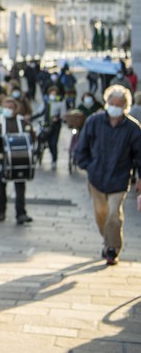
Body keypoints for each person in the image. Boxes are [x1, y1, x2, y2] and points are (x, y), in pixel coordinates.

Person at [74, 85, 141, 265]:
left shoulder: (133, 128)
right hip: (96, 178)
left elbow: (139, 155)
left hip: (119, 179)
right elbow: (82, 147)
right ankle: (108, 241)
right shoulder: (94, 122)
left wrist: (139, 178)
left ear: (124, 106)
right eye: (112, 103)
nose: (114, 107)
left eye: (118, 104)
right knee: (100, 215)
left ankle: (112, 249)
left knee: (113, 214)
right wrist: (87, 165)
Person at [0, 98, 35, 224]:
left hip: (19, 158)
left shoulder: (22, 122)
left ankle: (21, 213)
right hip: (2, 158)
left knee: (20, 185)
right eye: (6, 106)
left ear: (15, 109)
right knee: (1, 185)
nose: (8, 109)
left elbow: (32, 137)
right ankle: (1, 211)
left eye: (11, 107)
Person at [33, 86, 67, 168]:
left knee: (53, 143)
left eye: (55, 94)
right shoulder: (45, 103)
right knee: (40, 139)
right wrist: (31, 118)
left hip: (55, 126)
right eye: (51, 93)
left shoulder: (60, 103)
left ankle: (54, 160)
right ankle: (37, 155)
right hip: (46, 124)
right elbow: (39, 112)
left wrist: (58, 118)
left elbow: (63, 115)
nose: (53, 95)